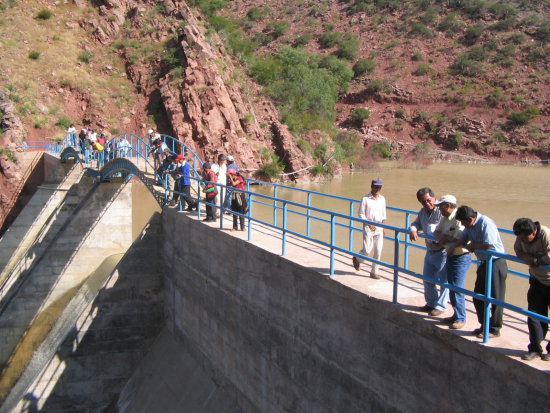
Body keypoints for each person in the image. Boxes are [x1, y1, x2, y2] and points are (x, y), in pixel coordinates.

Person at [450, 205, 507, 338]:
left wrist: (473, 246)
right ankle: (484, 326)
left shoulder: (485, 223)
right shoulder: (470, 225)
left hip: (496, 262)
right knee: (478, 296)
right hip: (483, 262)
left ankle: (494, 329)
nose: (463, 225)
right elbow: (464, 237)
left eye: (464, 222)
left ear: (471, 218)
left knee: (496, 297)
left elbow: (489, 244)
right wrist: (453, 247)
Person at [512, 218, 550, 361]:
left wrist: (535, 261)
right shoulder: (521, 238)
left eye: (524, 238)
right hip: (536, 280)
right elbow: (518, 251)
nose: (522, 241)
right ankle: (534, 347)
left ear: (534, 232)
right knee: (533, 315)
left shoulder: (546, 235)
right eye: (519, 237)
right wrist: (525, 257)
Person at [409, 187, 449, 316]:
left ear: (434, 197)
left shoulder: (442, 211)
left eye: (428, 200)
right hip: (430, 250)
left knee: (444, 282)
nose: (427, 204)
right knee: (427, 278)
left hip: (443, 251)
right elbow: (415, 223)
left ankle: (441, 306)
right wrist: (413, 229)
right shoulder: (423, 213)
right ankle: (431, 303)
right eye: (423, 202)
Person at [434, 195, 472, 329]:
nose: (438, 209)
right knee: (451, 285)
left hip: (461, 257)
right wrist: (444, 237)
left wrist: (446, 238)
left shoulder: (458, 218)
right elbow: (436, 232)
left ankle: (461, 318)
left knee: (457, 287)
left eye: (441, 206)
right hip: (450, 255)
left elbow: (460, 238)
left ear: (448, 206)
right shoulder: (444, 219)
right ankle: (456, 315)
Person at [351, 178, 386, 279]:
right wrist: (368, 223)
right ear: (371, 186)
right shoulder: (365, 199)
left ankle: (374, 272)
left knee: (378, 251)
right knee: (367, 250)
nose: (377, 189)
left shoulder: (382, 199)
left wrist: (384, 227)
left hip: (379, 226)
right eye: (375, 187)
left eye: (379, 187)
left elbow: (384, 214)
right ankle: (357, 259)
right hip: (368, 226)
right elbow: (361, 214)